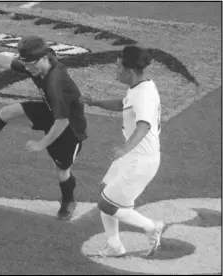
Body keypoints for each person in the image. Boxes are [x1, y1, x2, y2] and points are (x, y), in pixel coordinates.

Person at [0, 36, 88, 220]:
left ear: (43, 58)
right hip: (50, 111)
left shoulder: (55, 83)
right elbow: (10, 63)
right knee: (6, 112)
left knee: (62, 171)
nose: (27, 69)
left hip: (69, 129)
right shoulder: (37, 64)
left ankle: (69, 200)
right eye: (26, 64)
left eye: (30, 65)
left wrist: (41, 144)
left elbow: (62, 121)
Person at [81, 45, 165, 257]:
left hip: (140, 159)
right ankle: (115, 246)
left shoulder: (143, 94)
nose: (115, 71)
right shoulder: (139, 87)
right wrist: (96, 102)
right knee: (105, 191)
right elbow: (123, 104)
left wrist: (124, 148)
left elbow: (144, 125)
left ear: (130, 70)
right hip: (134, 155)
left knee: (107, 204)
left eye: (118, 67)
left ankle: (151, 227)